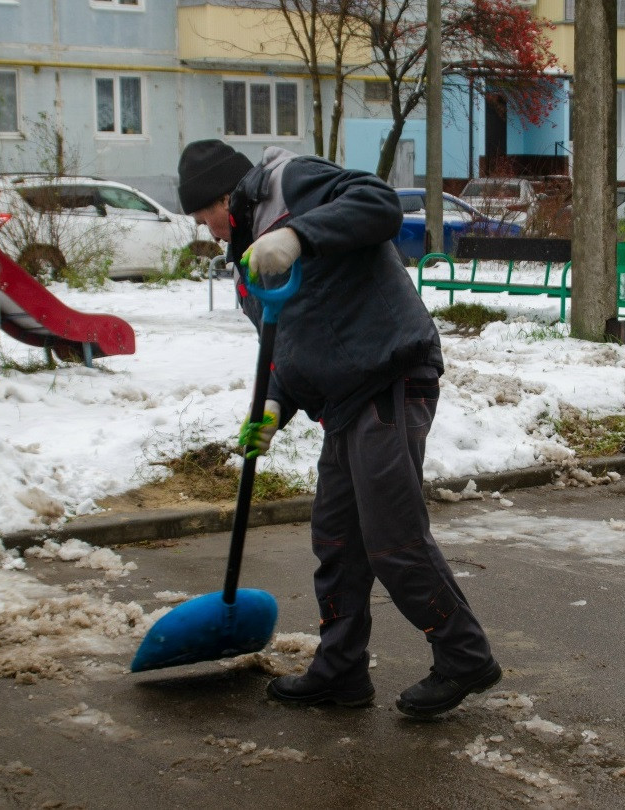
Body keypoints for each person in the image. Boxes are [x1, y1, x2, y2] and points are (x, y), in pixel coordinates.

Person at [176, 140, 501, 718]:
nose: (209, 231)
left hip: (388, 374)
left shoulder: (291, 181)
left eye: (205, 218)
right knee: (336, 541)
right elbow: (285, 349)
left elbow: (380, 206)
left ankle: (464, 655)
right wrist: (273, 406)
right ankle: (342, 671)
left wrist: (296, 235)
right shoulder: (251, 264)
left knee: (392, 538)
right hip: (344, 401)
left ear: (225, 198)